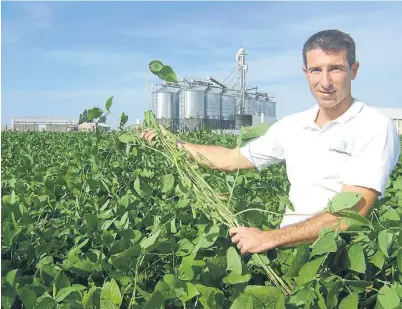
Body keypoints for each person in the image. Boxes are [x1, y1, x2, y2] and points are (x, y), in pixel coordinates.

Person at [138, 29, 400, 254]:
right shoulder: (293, 125)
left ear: (354, 70)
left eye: (336, 69)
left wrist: (268, 238)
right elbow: (231, 159)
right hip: (288, 252)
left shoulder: (373, 125)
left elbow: (351, 214)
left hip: (339, 257)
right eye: (316, 70)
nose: (325, 82)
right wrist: (174, 145)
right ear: (305, 72)